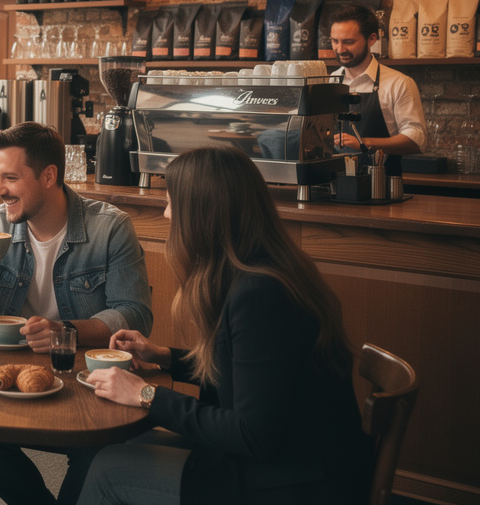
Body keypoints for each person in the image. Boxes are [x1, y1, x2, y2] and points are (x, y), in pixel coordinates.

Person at [79, 146, 371, 504]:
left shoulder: (260, 296)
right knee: (119, 446)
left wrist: (145, 394)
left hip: (292, 484)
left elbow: (252, 434)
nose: (167, 215)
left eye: (172, 204)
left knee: (109, 469)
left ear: (203, 215)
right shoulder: (264, 272)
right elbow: (250, 381)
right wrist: (164, 356)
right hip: (291, 462)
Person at [0, 121, 152, 505]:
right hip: (13, 376)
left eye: (9, 178)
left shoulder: (110, 228)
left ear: (49, 175)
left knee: (97, 450)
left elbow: (135, 314)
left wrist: (64, 330)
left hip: (88, 382)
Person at [328, 4, 426, 175]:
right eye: (335, 41)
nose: (340, 49)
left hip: (381, 186)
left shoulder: (399, 83)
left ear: (372, 39)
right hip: (334, 183)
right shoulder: (331, 81)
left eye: (348, 42)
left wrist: (363, 142)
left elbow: (416, 140)